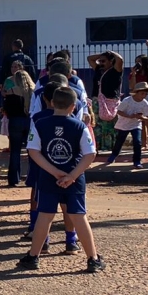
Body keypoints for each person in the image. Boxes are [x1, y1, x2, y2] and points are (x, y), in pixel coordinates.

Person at [19, 87, 104, 273]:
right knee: (79, 216)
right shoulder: (79, 126)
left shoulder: (40, 123)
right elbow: (90, 154)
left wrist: (54, 171)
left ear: (50, 103)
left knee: (45, 216)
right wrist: (71, 175)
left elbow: (33, 151)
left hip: (48, 178)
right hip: (74, 179)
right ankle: (93, 258)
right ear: (73, 106)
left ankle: (33, 256)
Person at [105, 83, 148, 169]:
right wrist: (129, 116)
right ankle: (114, 154)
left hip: (136, 124)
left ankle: (137, 161)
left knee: (137, 142)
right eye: (142, 93)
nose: (144, 96)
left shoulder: (145, 104)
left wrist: (141, 117)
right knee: (119, 141)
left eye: (145, 94)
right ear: (136, 92)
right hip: (124, 124)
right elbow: (119, 111)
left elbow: (147, 117)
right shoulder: (127, 100)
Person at [4, 70, 34, 186]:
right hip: (29, 121)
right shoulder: (33, 91)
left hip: (15, 121)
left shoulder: (11, 91)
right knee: (32, 151)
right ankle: (32, 178)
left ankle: (13, 179)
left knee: (15, 151)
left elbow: (7, 108)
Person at [129, 55, 148, 154]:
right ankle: (144, 144)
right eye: (136, 62)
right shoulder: (133, 74)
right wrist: (133, 74)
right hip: (138, 97)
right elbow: (132, 86)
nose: (138, 65)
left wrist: (140, 87)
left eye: (140, 62)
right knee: (141, 122)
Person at [89, 50, 124, 122]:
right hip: (97, 102)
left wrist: (111, 53)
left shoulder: (116, 71)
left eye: (103, 61)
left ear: (111, 61)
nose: (101, 63)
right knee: (98, 127)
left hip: (110, 103)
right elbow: (90, 58)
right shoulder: (98, 69)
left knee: (111, 128)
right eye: (100, 61)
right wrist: (102, 54)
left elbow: (120, 59)